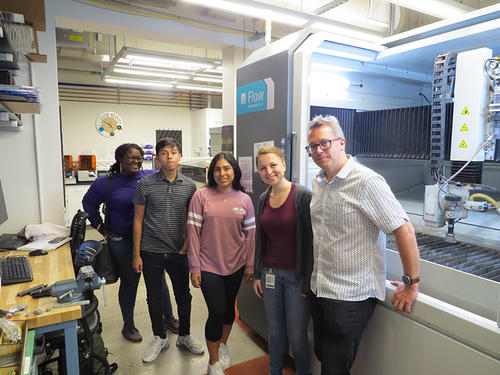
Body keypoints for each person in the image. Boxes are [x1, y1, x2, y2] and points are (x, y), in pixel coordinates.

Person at [306, 115, 420, 375]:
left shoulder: (367, 181)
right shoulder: (319, 181)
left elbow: (404, 229)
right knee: (323, 354)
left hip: (351, 295)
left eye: (324, 143)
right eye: (312, 146)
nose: (318, 151)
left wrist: (412, 283)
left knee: (334, 368)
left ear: (341, 142)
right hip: (321, 288)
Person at [82, 143, 179, 343]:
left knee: (159, 279)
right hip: (122, 240)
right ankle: (128, 324)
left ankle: (168, 316)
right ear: (120, 160)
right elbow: (88, 203)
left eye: (139, 157)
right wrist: (99, 226)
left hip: (151, 239)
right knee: (130, 280)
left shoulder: (149, 176)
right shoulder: (106, 183)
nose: (136, 161)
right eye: (131, 157)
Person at [132, 137, 204, 363]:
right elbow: (137, 220)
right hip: (150, 250)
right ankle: (159, 336)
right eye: (164, 152)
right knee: (154, 296)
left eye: (173, 152)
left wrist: (187, 244)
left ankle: (185, 335)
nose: (169, 156)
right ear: (158, 157)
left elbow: (190, 220)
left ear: (180, 156)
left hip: (178, 251)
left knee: (183, 295)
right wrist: (136, 253)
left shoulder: (190, 186)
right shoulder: (145, 184)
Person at [187, 152, 255, 375]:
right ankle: (213, 361)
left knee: (228, 311)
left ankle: (223, 345)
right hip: (208, 266)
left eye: (227, 168)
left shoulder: (244, 199)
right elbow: (193, 233)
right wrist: (194, 267)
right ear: (211, 172)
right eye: (217, 169)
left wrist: (250, 265)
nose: (222, 173)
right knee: (216, 312)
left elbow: (250, 235)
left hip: (236, 264)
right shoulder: (201, 196)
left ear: (234, 171)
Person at [252, 146, 313, 375]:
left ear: (284, 165)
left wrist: (308, 280)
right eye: (263, 168)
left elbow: (311, 242)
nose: (269, 171)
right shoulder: (262, 198)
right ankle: (274, 371)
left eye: (273, 165)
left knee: (297, 335)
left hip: (297, 277)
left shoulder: (302, 195)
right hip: (270, 274)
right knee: (276, 332)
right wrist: (258, 273)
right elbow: (261, 239)